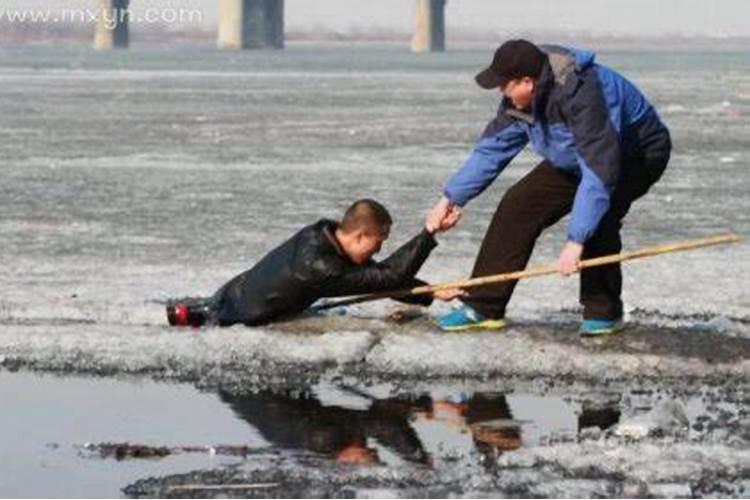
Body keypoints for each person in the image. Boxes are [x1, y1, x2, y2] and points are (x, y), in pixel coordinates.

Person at [427, 40, 671, 335]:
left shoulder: (582, 93)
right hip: (573, 157)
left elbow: (598, 170)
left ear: (527, 82)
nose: (500, 92)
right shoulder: (518, 102)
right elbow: (492, 150)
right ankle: (484, 305)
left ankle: (603, 312)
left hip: (634, 153)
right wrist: (449, 199)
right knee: (518, 205)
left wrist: (576, 240)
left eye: (503, 85)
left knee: (599, 219)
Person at [167, 198, 460, 327]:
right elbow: (386, 277)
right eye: (379, 241)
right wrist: (429, 233)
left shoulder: (321, 233)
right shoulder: (320, 269)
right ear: (359, 235)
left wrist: (431, 292)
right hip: (240, 317)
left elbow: (373, 275)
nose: (380, 248)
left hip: (232, 293)